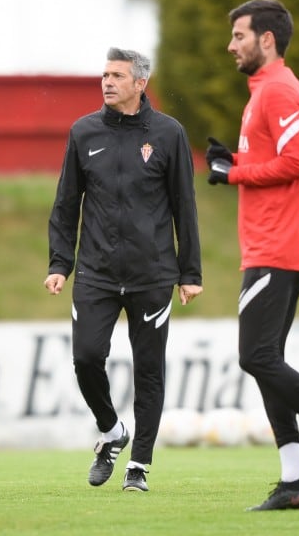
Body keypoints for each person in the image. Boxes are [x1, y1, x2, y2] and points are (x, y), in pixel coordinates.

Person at [205, 0, 299, 512]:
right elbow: (275, 158)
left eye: (240, 36)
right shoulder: (262, 94)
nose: (231, 46)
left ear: (266, 40)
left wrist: (235, 174)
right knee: (266, 361)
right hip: (269, 245)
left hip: (279, 246)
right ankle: (296, 481)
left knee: (257, 356)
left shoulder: (280, 91)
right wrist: (236, 160)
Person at [44, 47, 203, 493]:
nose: (107, 82)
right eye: (104, 74)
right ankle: (112, 431)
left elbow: (184, 208)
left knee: (149, 369)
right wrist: (61, 263)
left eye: (117, 75)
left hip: (153, 273)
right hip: (95, 272)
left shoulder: (169, 134)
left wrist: (190, 271)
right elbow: (65, 203)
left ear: (140, 83)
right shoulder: (83, 132)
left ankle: (140, 466)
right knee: (86, 357)